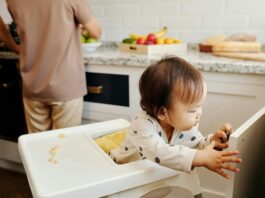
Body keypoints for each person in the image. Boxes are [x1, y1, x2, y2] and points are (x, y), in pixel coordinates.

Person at [110, 56, 241, 180]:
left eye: (199, 107)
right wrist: (201, 157)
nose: (199, 113)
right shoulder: (142, 126)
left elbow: (195, 145)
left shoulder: (182, 126)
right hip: (120, 173)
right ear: (162, 112)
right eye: (193, 110)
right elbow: (162, 153)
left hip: (149, 177)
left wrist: (212, 142)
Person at [6, 0, 102, 133]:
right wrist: (76, 25)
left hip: (33, 85)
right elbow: (95, 32)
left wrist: (15, 47)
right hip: (66, 86)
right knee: (65, 146)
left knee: (37, 147)